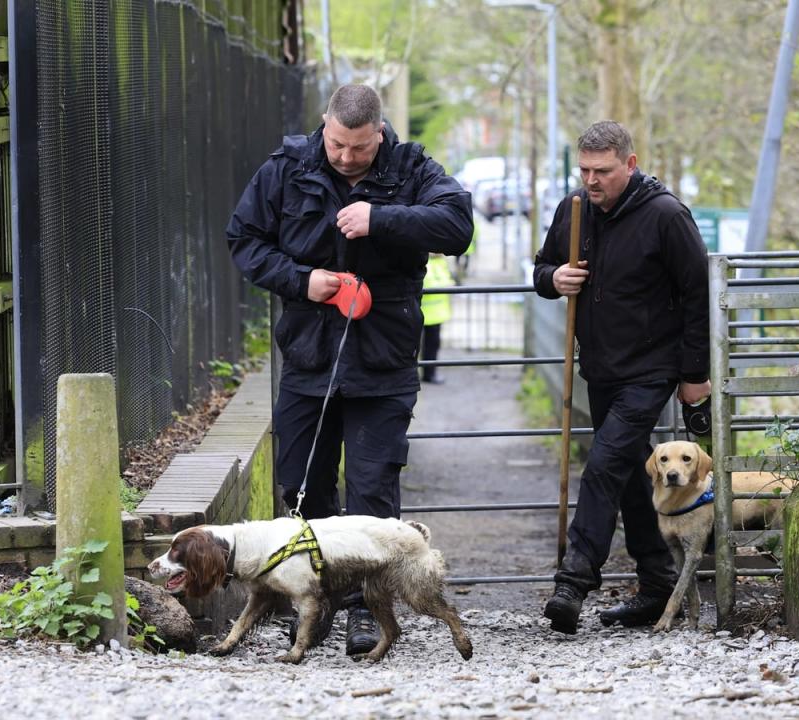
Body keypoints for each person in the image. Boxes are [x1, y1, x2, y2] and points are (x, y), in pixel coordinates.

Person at [226, 84, 473, 654]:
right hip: (308, 357)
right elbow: (244, 239)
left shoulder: (412, 167)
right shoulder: (287, 167)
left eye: (359, 148)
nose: (345, 158)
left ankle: (367, 611)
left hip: (383, 358)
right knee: (302, 485)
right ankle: (314, 605)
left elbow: (457, 228)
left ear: (379, 134)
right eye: (337, 145)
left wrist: (381, 218)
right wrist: (300, 280)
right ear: (325, 126)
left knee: (371, 492)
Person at [532, 120, 711, 634]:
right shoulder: (573, 211)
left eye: (602, 171)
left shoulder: (665, 215)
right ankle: (656, 584)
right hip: (601, 368)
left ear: (629, 165)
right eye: (584, 170)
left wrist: (694, 374)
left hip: (652, 368)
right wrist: (553, 279)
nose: (592, 180)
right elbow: (543, 269)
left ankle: (574, 580)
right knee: (636, 473)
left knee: (606, 463)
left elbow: (697, 295)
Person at [420, 253, 454, 384]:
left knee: (432, 345)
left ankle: (429, 373)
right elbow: (432, 283)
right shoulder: (426, 262)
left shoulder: (439, 263)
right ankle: (425, 373)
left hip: (435, 313)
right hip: (425, 312)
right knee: (418, 345)